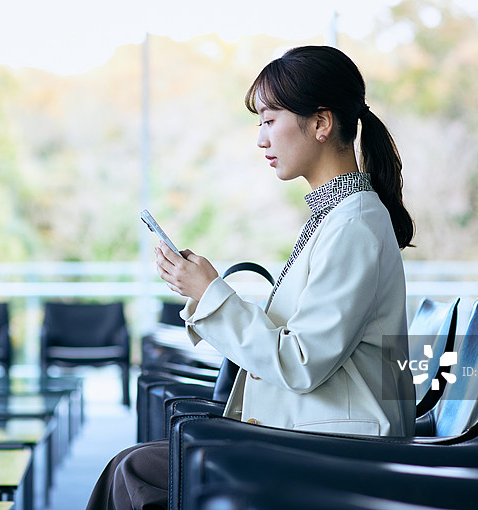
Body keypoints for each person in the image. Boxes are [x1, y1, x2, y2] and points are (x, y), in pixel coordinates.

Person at [86, 45, 416, 510]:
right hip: (311, 434)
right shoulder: (337, 216)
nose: (261, 139)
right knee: (135, 466)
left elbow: (300, 362)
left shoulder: (353, 225)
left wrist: (210, 294)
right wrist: (205, 292)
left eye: (269, 120)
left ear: (321, 124)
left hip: (336, 450)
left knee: (136, 469)